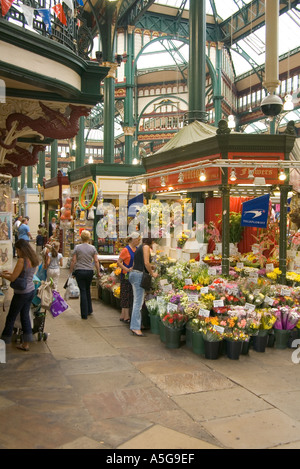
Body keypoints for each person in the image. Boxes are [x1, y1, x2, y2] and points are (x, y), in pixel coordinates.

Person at [0, 239, 39, 351]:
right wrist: (9, 273)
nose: (16, 252)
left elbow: (13, 278)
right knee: (25, 316)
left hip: (21, 293)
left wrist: (2, 275)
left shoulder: (22, 260)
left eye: (17, 249)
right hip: (30, 290)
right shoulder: (32, 258)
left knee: (11, 317)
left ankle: (3, 342)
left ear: (21, 249)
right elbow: (23, 275)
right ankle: (26, 343)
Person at [129, 237, 158, 337]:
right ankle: (135, 327)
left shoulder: (140, 247)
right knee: (138, 302)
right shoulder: (145, 247)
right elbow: (146, 263)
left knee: (137, 301)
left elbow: (137, 263)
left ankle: (136, 325)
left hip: (134, 274)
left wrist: (151, 267)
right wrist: (152, 273)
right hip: (139, 276)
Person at [70, 230, 101, 319]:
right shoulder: (93, 248)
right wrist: (98, 271)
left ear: (81, 237)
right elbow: (96, 260)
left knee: (82, 290)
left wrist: (71, 271)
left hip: (79, 270)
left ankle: (84, 313)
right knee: (87, 289)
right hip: (89, 271)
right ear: (89, 238)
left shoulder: (77, 247)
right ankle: (89, 309)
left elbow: (73, 260)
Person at [117, 233, 141, 324]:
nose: (138, 241)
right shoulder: (126, 250)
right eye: (138, 239)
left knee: (128, 295)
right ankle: (126, 316)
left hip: (134, 275)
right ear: (133, 239)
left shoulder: (137, 250)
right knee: (126, 294)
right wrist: (127, 269)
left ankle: (123, 315)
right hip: (126, 276)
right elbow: (119, 262)